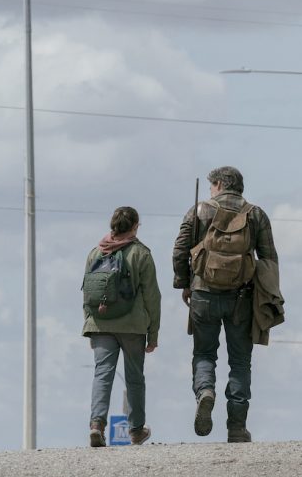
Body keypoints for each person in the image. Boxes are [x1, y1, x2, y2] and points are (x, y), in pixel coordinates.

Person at [172, 166, 281, 443]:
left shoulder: (199, 210)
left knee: (205, 354)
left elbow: (180, 249)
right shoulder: (256, 214)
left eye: (212, 186)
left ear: (220, 184)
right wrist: (268, 298)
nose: (211, 190)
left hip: (203, 294)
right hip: (241, 298)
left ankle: (205, 391)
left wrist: (185, 283)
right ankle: (236, 426)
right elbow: (269, 259)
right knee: (240, 362)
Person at [82, 206, 161, 447]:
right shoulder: (141, 254)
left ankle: (97, 425)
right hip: (132, 325)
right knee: (134, 378)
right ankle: (136, 430)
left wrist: (90, 322)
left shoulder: (96, 252)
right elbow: (152, 296)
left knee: (102, 375)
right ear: (135, 226)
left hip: (100, 323)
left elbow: (87, 291)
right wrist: (153, 334)